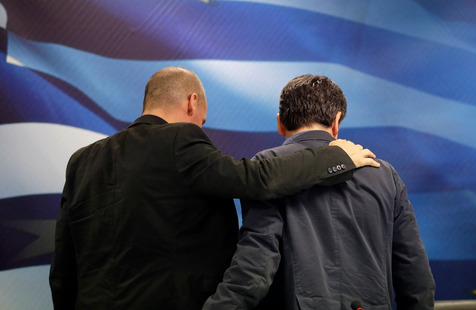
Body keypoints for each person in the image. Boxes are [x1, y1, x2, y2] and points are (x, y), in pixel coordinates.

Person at [48, 67, 380, 310]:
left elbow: (63, 268)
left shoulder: (82, 161)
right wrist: (335, 158)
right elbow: (255, 179)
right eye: (203, 122)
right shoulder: (181, 139)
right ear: (192, 103)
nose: (201, 127)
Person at [204, 74, 435, 310]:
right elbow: (415, 275)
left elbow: (256, 264)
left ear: (280, 123)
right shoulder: (385, 174)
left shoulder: (267, 167)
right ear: (336, 122)